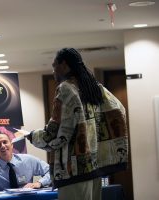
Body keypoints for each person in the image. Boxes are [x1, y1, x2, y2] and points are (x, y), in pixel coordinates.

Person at [27, 48, 128, 200]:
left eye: (55, 65)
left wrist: (32, 135)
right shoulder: (94, 87)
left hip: (72, 170)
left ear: (65, 65)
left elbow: (57, 133)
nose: (53, 71)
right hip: (93, 168)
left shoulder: (66, 88)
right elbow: (119, 109)